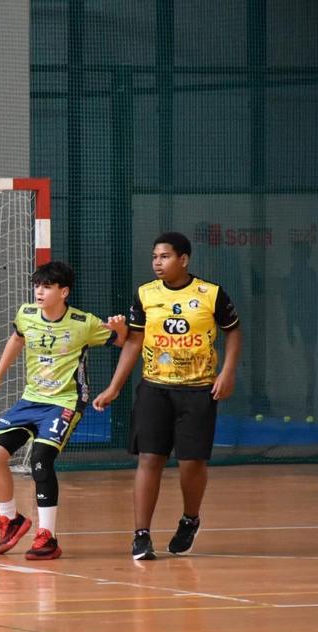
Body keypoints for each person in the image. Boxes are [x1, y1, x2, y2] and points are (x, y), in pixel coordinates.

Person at [93, 232, 241, 560]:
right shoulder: (146, 294)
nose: (157, 263)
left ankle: (190, 519)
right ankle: (141, 535)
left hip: (198, 389)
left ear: (183, 259)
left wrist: (228, 372)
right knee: (150, 457)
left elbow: (233, 331)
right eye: (155, 257)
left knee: (191, 463)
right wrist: (114, 386)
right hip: (155, 388)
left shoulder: (210, 294)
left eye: (165, 257)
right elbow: (133, 341)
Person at [0, 261, 125, 560]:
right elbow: (18, 338)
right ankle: (11, 520)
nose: (39, 291)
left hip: (65, 402)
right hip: (30, 400)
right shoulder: (27, 314)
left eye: (46, 287)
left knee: (40, 459)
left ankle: (47, 537)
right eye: (37, 286)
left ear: (64, 292)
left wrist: (120, 328)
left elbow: (121, 340)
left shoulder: (83, 323)